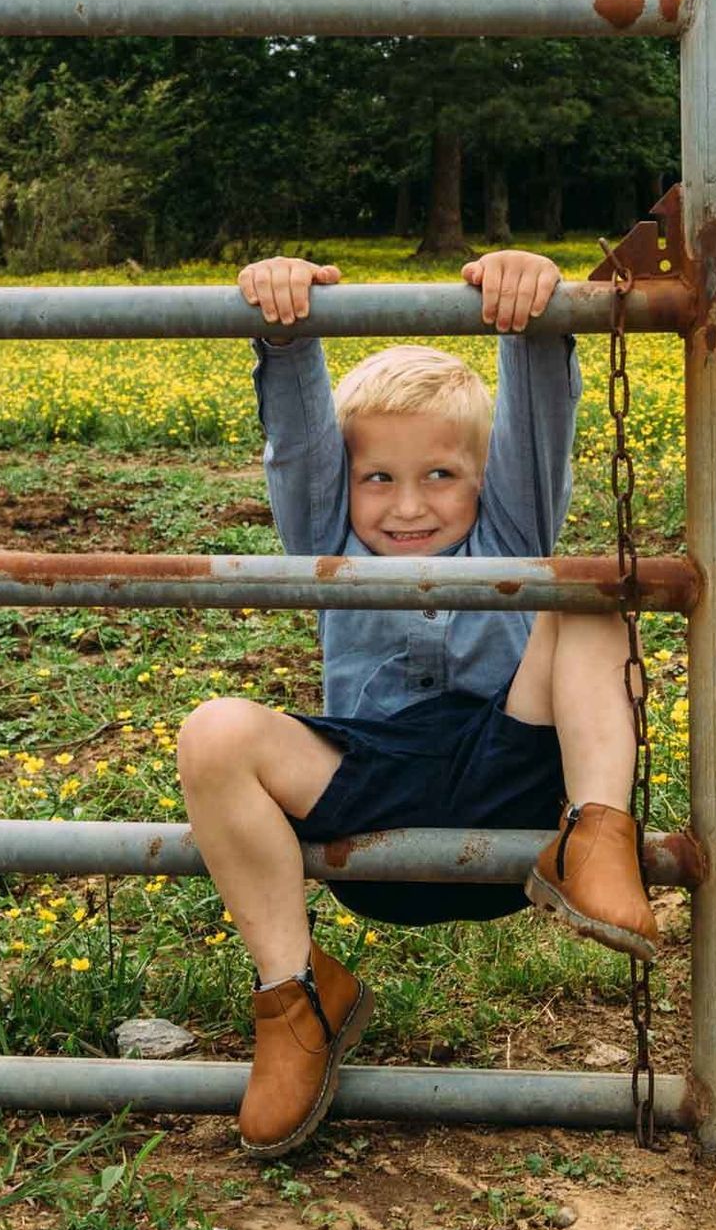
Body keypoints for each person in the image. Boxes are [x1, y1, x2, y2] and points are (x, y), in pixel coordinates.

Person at [176, 250, 656, 1159]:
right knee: (213, 733)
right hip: (374, 784)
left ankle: (598, 838)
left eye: (441, 475)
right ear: (343, 486)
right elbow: (302, 443)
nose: (408, 507)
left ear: (483, 477)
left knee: (586, 592)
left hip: (513, 776)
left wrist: (532, 315)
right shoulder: (323, 539)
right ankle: (297, 997)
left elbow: (539, 419)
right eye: (378, 478)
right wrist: (286, 333)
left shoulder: (510, 529)